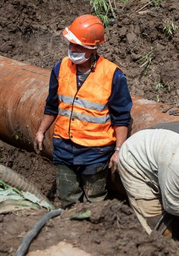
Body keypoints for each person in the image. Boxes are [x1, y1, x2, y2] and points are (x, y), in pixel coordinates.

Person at [35, 14, 132, 208]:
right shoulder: (60, 67)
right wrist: (41, 131)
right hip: (64, 146)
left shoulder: (113, 75)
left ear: (93, 47)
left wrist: (118, 150)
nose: (72, 50)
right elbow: (52, 104)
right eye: (71, 44)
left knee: (95, 202)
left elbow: (121, 117)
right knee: (68, 199)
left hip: (95, 151)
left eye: (78, 46)